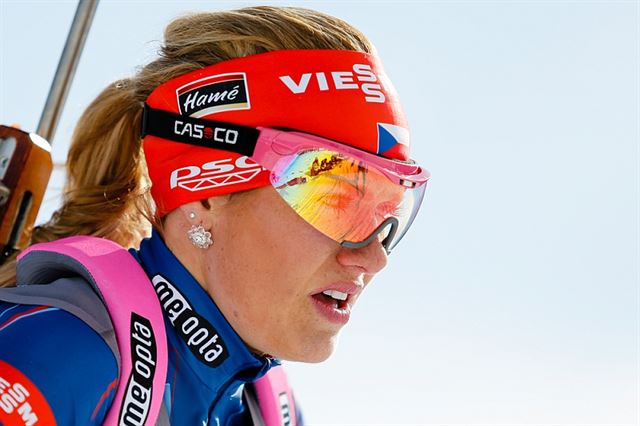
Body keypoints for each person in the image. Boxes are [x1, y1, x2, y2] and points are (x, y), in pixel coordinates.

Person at [0, 6, 429, 425]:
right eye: (335, 201)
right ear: (205, 195)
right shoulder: (58, 358)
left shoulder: (265, 407)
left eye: (388, 212)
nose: (374, 258)